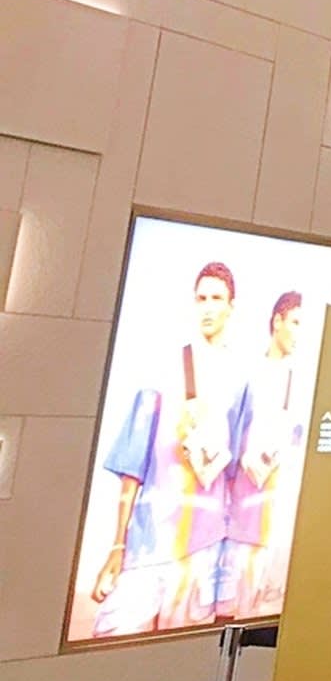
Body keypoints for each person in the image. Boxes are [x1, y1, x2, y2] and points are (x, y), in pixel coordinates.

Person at [89, 261, 250, 636]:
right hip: (151, 542)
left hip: (206, 545)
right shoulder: (163, 369)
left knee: (186, 654)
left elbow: (236, 474)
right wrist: (117, 545)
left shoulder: (240, 379)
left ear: (231, 306)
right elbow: (133, 463)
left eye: (217, 299)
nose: (208, 307)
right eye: (201, 298)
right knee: (114, 636)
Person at [220, 290, 307, 619]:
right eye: (295, 322)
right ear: (277, 321)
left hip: (280, 520)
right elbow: (229, 432)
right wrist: (243, 457)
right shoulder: (248, 373)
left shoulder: (301, 381)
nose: (299, 333)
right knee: (235, 608)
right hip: (244, 515)